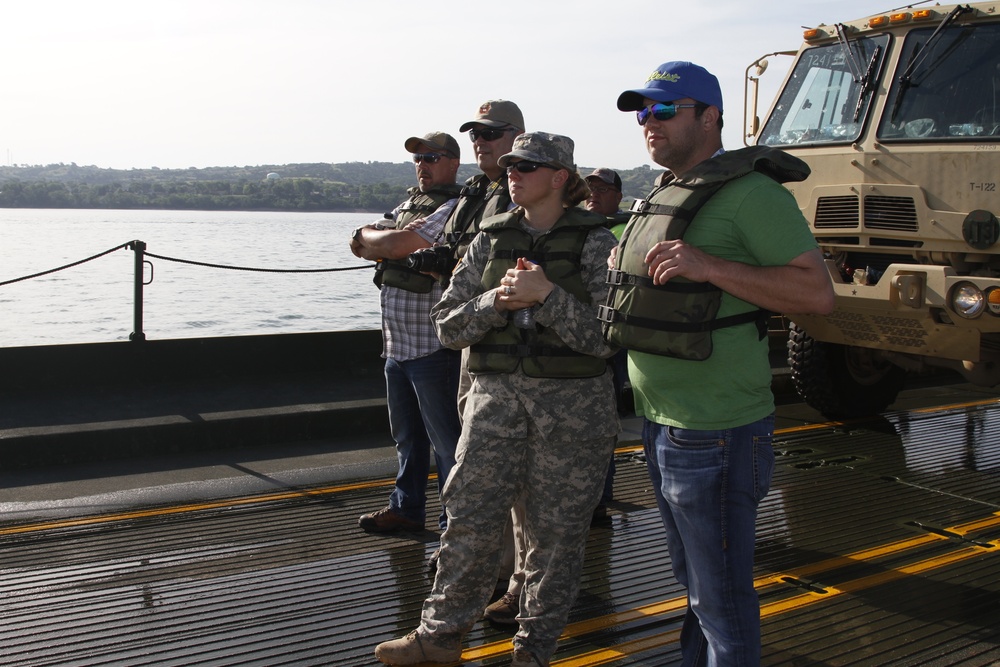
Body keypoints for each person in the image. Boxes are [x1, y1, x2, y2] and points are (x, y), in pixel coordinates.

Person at [602, 61, 835, 666]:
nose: (648, 123)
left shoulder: (753, 195)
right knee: (698, 591)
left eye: (663, 110)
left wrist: (710, 268)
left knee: (722, 602)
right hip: (661, 423)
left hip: (717, 434)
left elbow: (817, 295)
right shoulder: (664, 192)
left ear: (710, 117)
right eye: (641, 113)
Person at [374, 132, 619, 667]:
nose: (513, 172)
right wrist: (494, 301)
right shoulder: (489, 239)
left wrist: (548, 298)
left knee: (554, 537)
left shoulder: (597, 243)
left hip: (572, 410)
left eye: (528, 166)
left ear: (559, 178)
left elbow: (608, 338)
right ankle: (438, 636)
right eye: (510, 164)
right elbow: (447, 326)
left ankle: (533, 651)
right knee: (467, 517)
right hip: (494, 402)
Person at [349, 131, 464, 535]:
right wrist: (375, 239)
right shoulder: (410, 203)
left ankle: (454, 529)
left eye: (432, 157)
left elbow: (398, 244)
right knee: (408, 440)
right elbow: (361, 239)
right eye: (418, 158)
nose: (423, 165)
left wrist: (385, 241)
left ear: (452, 162)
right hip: (396, 346)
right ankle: (406, 507)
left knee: (448, 446)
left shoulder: (454, 206)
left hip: (433, 347)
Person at [582, 167, 630, 521]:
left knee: (602, 420)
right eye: (589, 188)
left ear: (617, 195)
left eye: (602, 189)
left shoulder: (621, 230)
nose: (594, 194)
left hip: (608, 337)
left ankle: (600, 497)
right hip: (576, 335)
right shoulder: (575, 229)